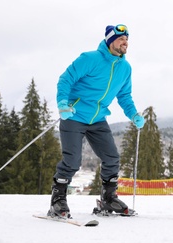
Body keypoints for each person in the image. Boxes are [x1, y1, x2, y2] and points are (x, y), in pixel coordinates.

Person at [48, 24, 145, 219]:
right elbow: (65, 79)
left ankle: (108, 200)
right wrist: (63, 104)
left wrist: (133, 114)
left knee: (112, 158)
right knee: (72, 161)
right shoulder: (89, 59)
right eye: (120, 38)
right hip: (74, 115)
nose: (125, 42)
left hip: (98, 119)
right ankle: (58, 200)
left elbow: (124, 96)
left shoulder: (125, 68)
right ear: (110, 41)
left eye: (127, 39)